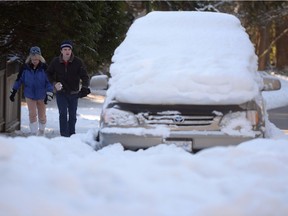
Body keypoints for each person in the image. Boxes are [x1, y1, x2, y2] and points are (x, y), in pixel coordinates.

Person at [46, 40, 90, 137]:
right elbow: (48, 73)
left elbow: (85, 77)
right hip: (61, 92)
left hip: (74, 93)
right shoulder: (56, 61)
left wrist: (84, 87)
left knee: (73, 116)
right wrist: (54, 83)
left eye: (69, 49)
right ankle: (64, 135)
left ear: (71, 50)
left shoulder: (78, 62)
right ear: (61, 51)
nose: (67, 51)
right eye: (65, 49)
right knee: (63, 113)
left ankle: (72, 134)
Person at [9, 46, 53, 135]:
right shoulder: (25, 68)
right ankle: (33, 133)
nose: (34, 61)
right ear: (30, 58)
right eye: (33, 59)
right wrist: (13, 91)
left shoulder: (44, 68)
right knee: (32, 114)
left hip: (42, 95)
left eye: (36, 59)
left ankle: (41, 131)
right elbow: (19, 80)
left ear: (40, 58)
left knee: (42, 115)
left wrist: (49, 93)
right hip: (29, 95)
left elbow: (49, 82)